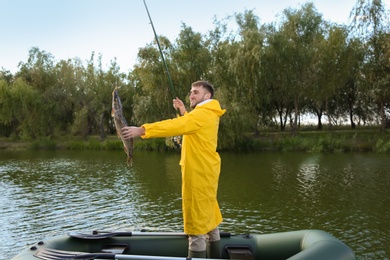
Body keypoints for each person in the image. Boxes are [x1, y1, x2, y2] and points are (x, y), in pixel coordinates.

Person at [121, 80, 226, 258]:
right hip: (207, 172)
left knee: (196, 227)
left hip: (198, 175)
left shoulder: (201, 115)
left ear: (207, 96)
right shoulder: (207, 113)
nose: (191, 95)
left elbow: (175, 126)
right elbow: (190, 124)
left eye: (195, 92)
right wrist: (184, 111)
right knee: (210, 219)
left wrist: (142, 129)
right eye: (190, 92)